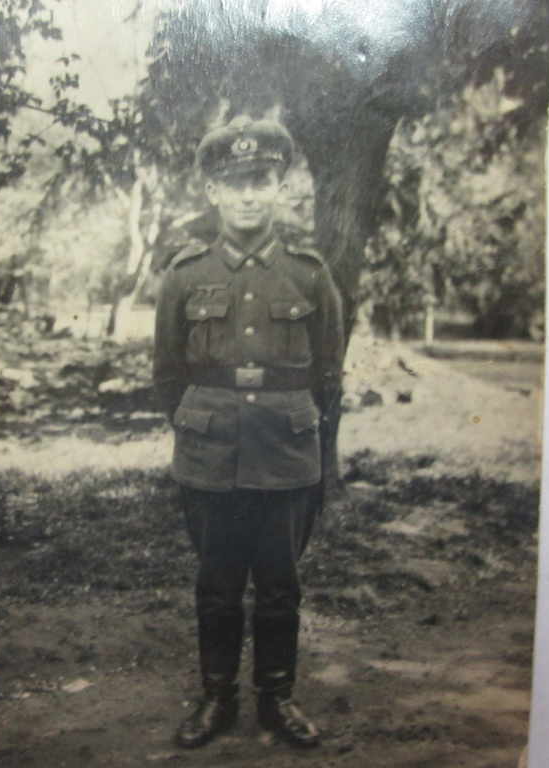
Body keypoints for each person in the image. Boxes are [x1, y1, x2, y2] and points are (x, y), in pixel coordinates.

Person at [153, 116, 344, 749]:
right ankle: (216, 700)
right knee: (217, 582)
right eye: (234, 184)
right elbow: (167, 374)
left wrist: (313, 449)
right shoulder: (184, 274)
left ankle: (277, 698)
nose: (248, 196)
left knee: (280, 585)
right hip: (209, 453)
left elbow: (328, 377)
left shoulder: (311, 272)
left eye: (261, 181)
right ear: (212, 191)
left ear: (280, 186)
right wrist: (205, 422)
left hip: (287, 454)